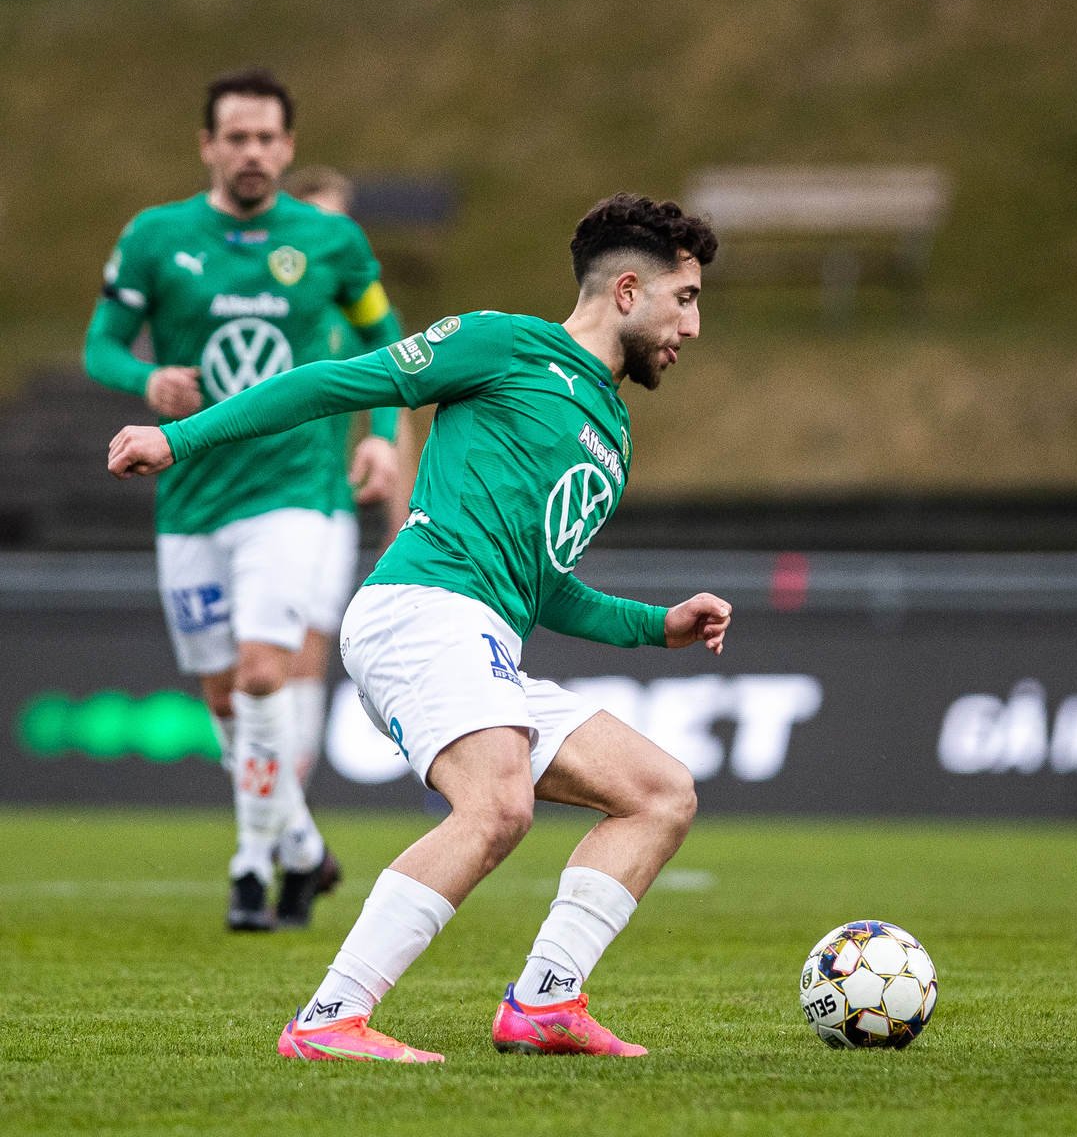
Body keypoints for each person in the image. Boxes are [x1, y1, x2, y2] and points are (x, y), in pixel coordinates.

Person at [109, 193, 733, 1064]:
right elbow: (333, 382)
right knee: (498, 805)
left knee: (660, 792)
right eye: (687, 298)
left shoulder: (613, 432)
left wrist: (655, 625)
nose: (693, 326)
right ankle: (329, 1020)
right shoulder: (503, 343)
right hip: (419, 611)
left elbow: (542, 584)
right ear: (628, 290)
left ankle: (546, 1003)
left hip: (485, 639)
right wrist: (182, 438)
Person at [84, 69, 407, 931]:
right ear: (208, 145)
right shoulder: (157, 238)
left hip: (294, 492)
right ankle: (301, 851)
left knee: (266, 671)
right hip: (189, 496)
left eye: (268, 138)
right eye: (237, 137)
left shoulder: (330, 243)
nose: (253, 152)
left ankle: (250, 862)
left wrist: (378, 429)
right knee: (226, 700)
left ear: (289, 147)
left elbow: (385, 339)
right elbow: (101, 346)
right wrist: (145, 377)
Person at [283, 165, 415, 791]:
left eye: (344, 219)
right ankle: (271, 802)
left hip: (318, 504)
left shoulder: (354, 315)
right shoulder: (263, 302)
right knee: (236, 679)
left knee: (304, 649)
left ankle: (287, 813)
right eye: (319, 219)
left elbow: (399, 398)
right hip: (229, 504)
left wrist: (399, 523)